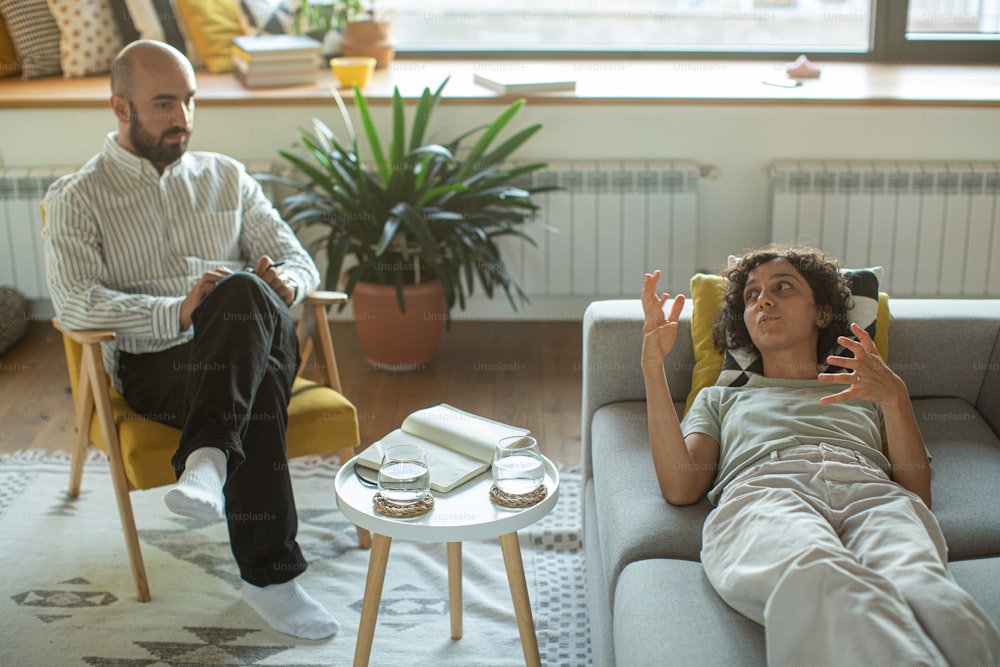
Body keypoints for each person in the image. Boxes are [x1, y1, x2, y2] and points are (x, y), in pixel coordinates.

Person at [42, 40, 338, 640]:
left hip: (256, 337)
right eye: (163, 103)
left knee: (243, 292)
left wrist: (286, 282)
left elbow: (297, 260)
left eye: (189, 101)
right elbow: (75, 303)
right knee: (242, 352)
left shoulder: (227, 177)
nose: (182, 117)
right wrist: (178, 310)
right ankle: (270, 578)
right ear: (119, 108)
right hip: (161, 363)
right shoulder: (77, 199)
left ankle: (206, 462)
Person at [641, 244, 1000, 666]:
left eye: (782, 286)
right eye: (751, 295)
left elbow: (916, 491)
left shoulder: (867, 391)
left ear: (823, 313)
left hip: (871, 492)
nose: (764, 300)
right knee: (818, 575)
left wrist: (896, 396)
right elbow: (681, 486)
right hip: (768, 493)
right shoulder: (721, 398)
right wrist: (651, 365)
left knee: (921, 584)